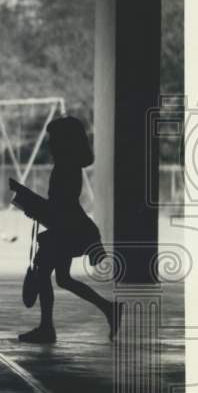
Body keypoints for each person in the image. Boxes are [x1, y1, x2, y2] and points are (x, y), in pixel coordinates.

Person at [13, 116, 122, 343]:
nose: (49, 143)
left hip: (65, 230)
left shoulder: (64, 167)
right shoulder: (69, 165)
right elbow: (62, 206)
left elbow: (58, 206)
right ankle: (108, 308)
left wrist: (29, 200)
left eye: (53, 138)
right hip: (71, 228)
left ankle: (46, 328)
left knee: (44, 275)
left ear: (64, 141)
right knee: (62, 279)